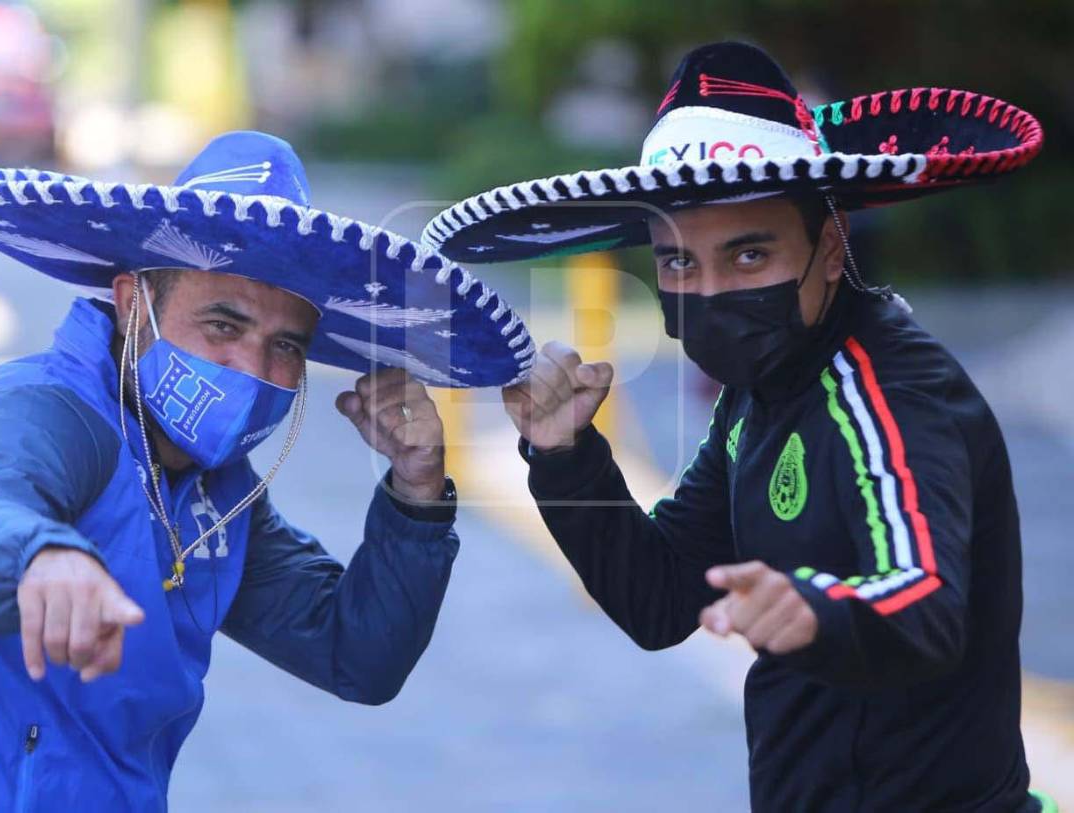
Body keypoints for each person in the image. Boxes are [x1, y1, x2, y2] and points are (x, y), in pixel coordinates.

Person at [424, 41, 1055, 813]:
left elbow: (926, 603)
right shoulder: (759, 393)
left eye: (749, 255)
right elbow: (661, 598)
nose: (711, 293)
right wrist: (564, 454)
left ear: (830, 249)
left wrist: (819, 608)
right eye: (678, 264)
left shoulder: (891, 393)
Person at [0, 131, 534, 811]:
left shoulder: (218, 495)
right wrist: (41, 555)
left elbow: (358, 656)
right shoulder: (36, 410)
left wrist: (416, 492)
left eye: (285, 345)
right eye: (223, 324)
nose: (253, 367)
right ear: (133, 303)